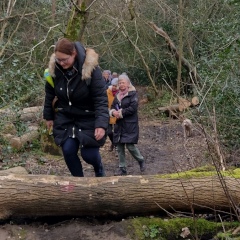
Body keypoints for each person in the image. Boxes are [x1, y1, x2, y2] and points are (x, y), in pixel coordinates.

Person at [43, 38, 109, 177]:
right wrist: (48, 116)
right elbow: (50, 94)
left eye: (64, 59)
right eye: (58, 59)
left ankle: (99, 168)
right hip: (66, 117)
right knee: (68, 150)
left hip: (88, 116)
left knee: (89, 155)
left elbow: (100, 99)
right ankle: (79, 183)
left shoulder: (91, 69)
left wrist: (101, 125)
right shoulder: (55, 69)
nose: (61, 63)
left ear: (74, 54)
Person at [110, 74, 145, 175]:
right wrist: (113, 112)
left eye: (123, 83)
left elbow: (133, 108)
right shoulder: (117, 95)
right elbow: (112, 106)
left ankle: (140, 160)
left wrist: (120, 113)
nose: (121, 85)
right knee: (119, 147)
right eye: (120, 83)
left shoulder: (133, 94)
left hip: (130, 124)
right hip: (119, 125)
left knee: (130, 146)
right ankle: (122, 168)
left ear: (128, 84)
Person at [106, 77, 119, 152]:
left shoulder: (120, 93)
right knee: (109, 132)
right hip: (108, 114)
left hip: (117, 115)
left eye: (116, 85)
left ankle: (116, 145)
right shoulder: (107, 92)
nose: (114, 87)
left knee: (117, 132)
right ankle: (114, 143)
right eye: (113, 85)